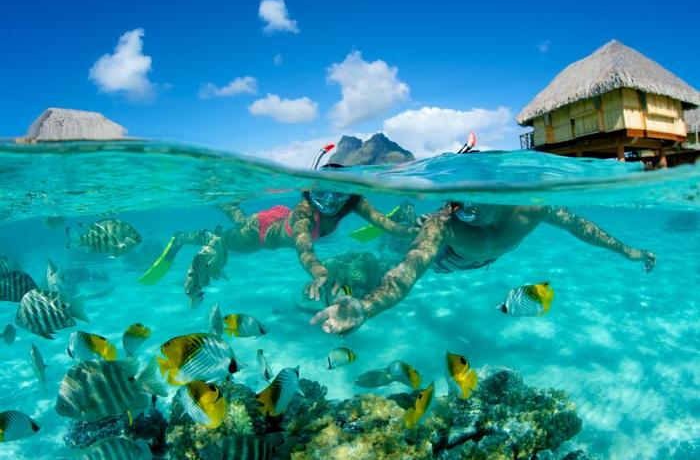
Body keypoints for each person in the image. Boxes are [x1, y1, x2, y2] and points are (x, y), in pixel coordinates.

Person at [309, 201, 657, 335]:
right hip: (447, 259)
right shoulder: (446, 222)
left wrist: (628, 252)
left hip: (479, 259)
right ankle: (405, 222)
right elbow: (408, 271)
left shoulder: (532, 210)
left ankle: (408, 220)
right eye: (457, 204)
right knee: (398, 250)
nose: (464, 212)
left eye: (472, 203)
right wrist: (366, 306)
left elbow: (582, 227)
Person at [140, 145, 415, 304]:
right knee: (224, 241)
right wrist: (320, 273)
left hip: (273, 219)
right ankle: (183, 236)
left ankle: (225, 202)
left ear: (349, 193)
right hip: (259, 233)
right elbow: (304, 249)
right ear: (310, 191)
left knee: (239, 218)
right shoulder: (304, 214)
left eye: (338, 194)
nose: (330, 201)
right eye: (322, 193)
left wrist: (411, 230)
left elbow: (385, 223)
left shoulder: (354, 202)